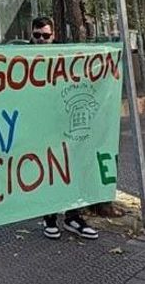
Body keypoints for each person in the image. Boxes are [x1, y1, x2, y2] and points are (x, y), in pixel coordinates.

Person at [30, 16, 99, 241]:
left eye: (45, 35)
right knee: (48, 170)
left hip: (64, 124)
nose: (41, 40)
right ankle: (49, 218)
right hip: (40, 127)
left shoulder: (64, 56)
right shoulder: (22, 59)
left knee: (71, 169)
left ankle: (73, 217)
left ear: (53, 36)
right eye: (37, 35)